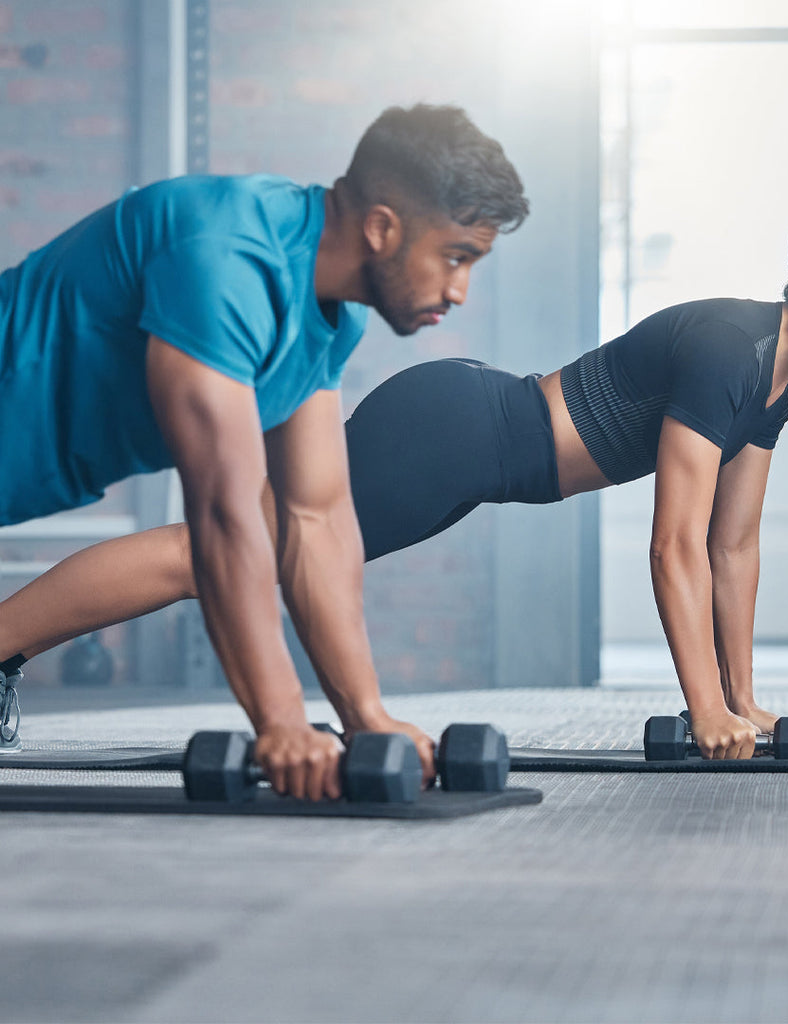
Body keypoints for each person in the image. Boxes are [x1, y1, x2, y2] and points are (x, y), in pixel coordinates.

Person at [0, 185, 788, 767]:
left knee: (229, 551)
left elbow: (734, 546)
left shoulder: (782, 371)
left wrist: (740, 703)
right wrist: (703, 711)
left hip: (473, 446)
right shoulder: (733, 348)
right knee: (211, 554)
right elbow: (675, 543)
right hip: (453, 433)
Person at [0, 103, 529, 798]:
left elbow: (316, 522)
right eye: (455, 257)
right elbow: (224, 514)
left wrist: (365, 717)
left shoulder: (328, 324)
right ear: (381, 228)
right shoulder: (227, 255)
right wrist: (279, 720)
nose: (459, 290)